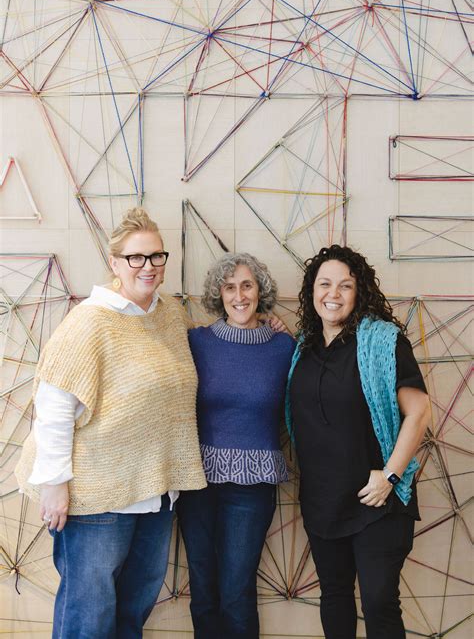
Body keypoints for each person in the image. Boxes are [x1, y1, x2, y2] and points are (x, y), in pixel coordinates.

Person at [15, 208, 206, 639]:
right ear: (115, 263)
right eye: (136, 257)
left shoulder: (169, 314)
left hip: (155, 493)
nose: (148, 267)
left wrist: (264, 324)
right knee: (88, 618)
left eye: (156, 256)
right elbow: (54, 406)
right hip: (96, 499)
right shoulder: (90, 321)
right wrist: (54, 484)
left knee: (132, 613)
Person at [286, 244, 430, 639]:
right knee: (334, 597)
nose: (333, 294)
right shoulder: (304, 347)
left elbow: (419, 412)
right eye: (324, 284)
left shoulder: (384, 342)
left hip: (377, 500)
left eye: (345, 285)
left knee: (379, 602)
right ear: (311, 290)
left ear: (358, 291)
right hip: (322, 500)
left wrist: (391, 476)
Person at [178, 253, 296, 639]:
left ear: (260, 291)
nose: (239, 296)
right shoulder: (197, 342)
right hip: (197, 484)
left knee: (236, 593)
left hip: (252, 490)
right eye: (229, 287)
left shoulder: (283, 347)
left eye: (247, 285)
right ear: (219, 294)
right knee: (203, 591)